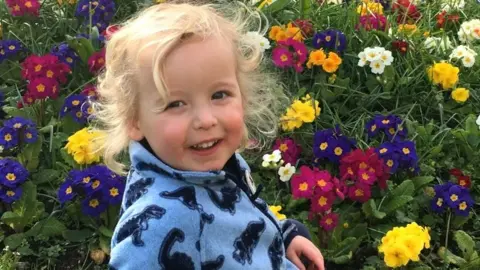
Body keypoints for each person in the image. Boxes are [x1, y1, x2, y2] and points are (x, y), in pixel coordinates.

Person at [95, 2, 325, 269]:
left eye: (219, 95)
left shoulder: (201, 165)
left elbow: (233, 224)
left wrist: (282, 237)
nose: (206, 120)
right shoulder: (167, 219)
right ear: (134, 120)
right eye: (175, 104)